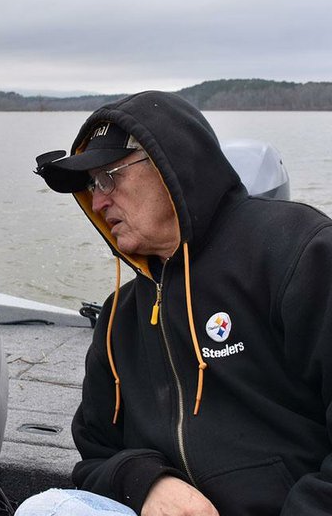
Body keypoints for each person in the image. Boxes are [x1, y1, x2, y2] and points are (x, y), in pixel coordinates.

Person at [19, 90, 332, 515]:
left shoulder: (298, 253)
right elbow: (94, 454)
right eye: (92, 185)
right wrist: (145, 481)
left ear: (172, 167)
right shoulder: (120, 316)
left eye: (109, 176)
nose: (98, 201)